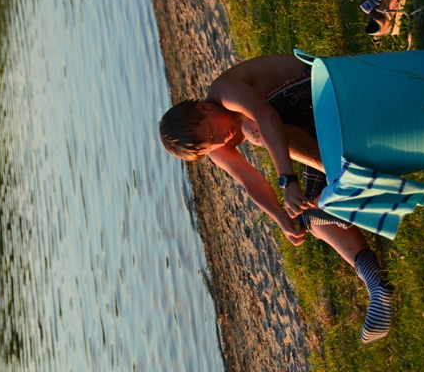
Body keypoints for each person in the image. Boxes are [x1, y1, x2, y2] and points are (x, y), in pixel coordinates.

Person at [159, 54, 393, 344]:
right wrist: (281, 216)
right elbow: (251, 182)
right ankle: (376, 283)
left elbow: (266, 116)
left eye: (211, 132)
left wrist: (288, 180)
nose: (220, 141)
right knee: (310, 218)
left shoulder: (224, 91)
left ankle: (348, 180)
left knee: (253, 129)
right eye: (211, 144)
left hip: (323, 86)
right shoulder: (219, 147)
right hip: (313, 128)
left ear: (204, 108)